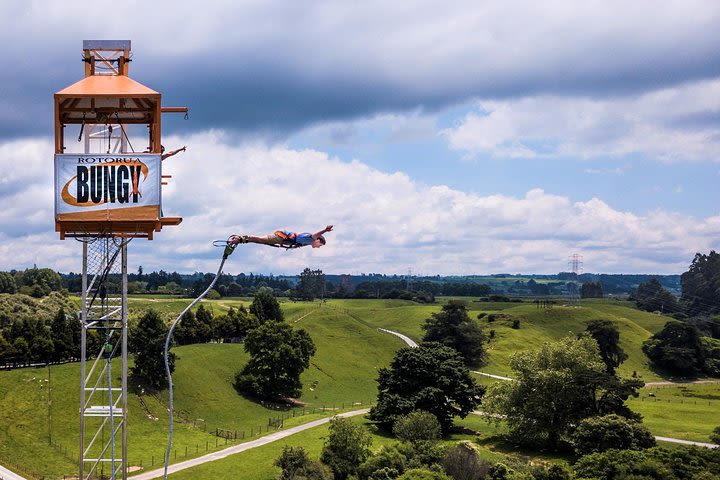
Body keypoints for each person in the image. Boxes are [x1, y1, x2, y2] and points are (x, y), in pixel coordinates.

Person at [229, 225, 333, 249]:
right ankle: (239, 238)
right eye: (320, 245)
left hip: (283, 240)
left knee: (260, 241)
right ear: (318, 240)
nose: (319, 247)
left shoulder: (308, 243)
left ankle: (241, 240)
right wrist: (325, 230)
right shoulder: (311, 238)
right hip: (281, 237)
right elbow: (316, 234)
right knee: (261, 239)